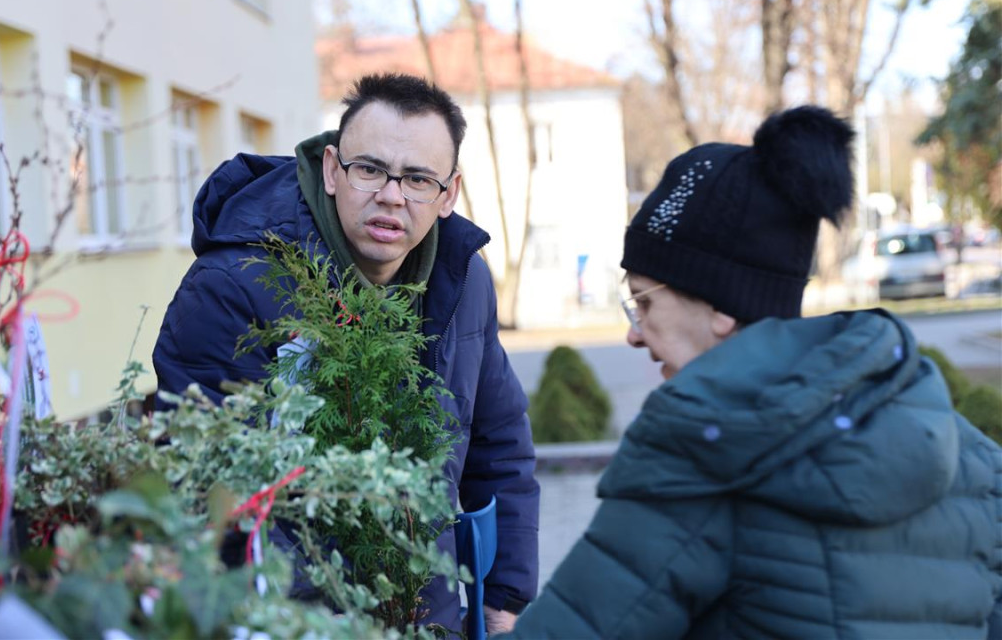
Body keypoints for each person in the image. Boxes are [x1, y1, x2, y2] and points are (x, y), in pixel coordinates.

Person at [501, 106, 1002, 639]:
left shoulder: (702, 452)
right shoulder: (970, 455)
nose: (634, 332)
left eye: (642, 302)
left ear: (721, 308)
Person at [153, 73, 539, 634]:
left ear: (449, 193)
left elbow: (497, 443)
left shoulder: (464, 279)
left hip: (426, 612)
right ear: (333, 169)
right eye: (371, 169)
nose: (391, 195)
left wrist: (503, 594)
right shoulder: (233, 286)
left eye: (418, 179)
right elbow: (207, 484)